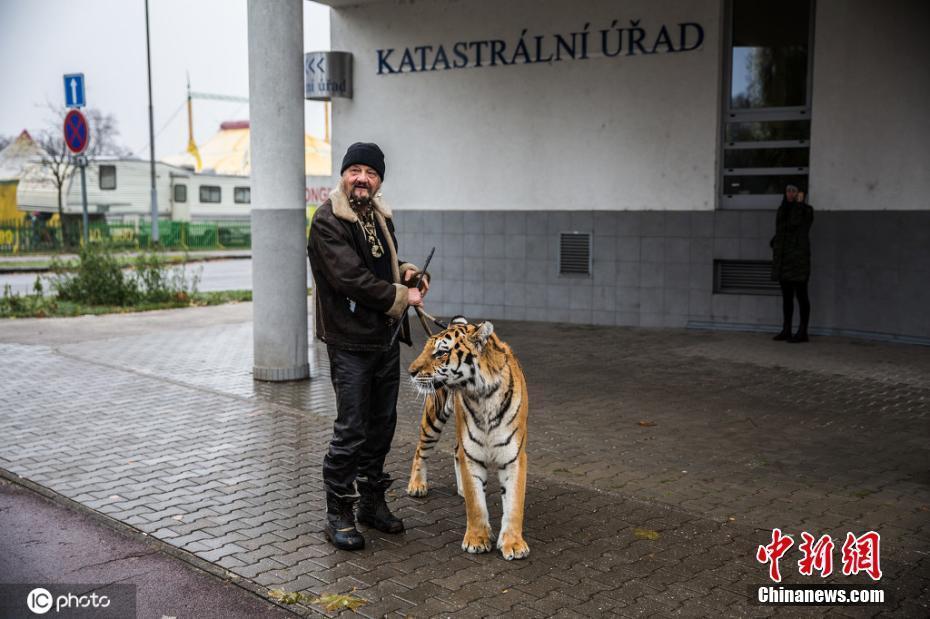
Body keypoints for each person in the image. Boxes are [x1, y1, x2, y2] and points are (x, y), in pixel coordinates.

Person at [307, 142, 429, 550]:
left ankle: (371, 505)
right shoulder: (328, 221)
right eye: (355, 170)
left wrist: (408, 274)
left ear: (379, 181)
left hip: (383, 337)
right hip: (349, 341)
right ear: (343, 175)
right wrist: (401, 297)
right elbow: (351, 278)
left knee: (382, 426)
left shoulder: (377, 216)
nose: (362, 178)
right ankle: (337, 513)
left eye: (371, 173)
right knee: (352, 429)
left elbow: (381, 266)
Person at [770, 185, 814, 343]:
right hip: (784, 260)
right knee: (786, 297)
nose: (790, 193)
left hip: (798, 261)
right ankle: (786, 329)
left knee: (802, 296)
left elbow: (797, 224)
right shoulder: (782, 209)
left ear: (800, 193)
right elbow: (782, 231)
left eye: (794, 191)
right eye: (788, 190)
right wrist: (775, 242)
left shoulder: (806, 210)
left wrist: (800, 204)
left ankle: (803, 332)